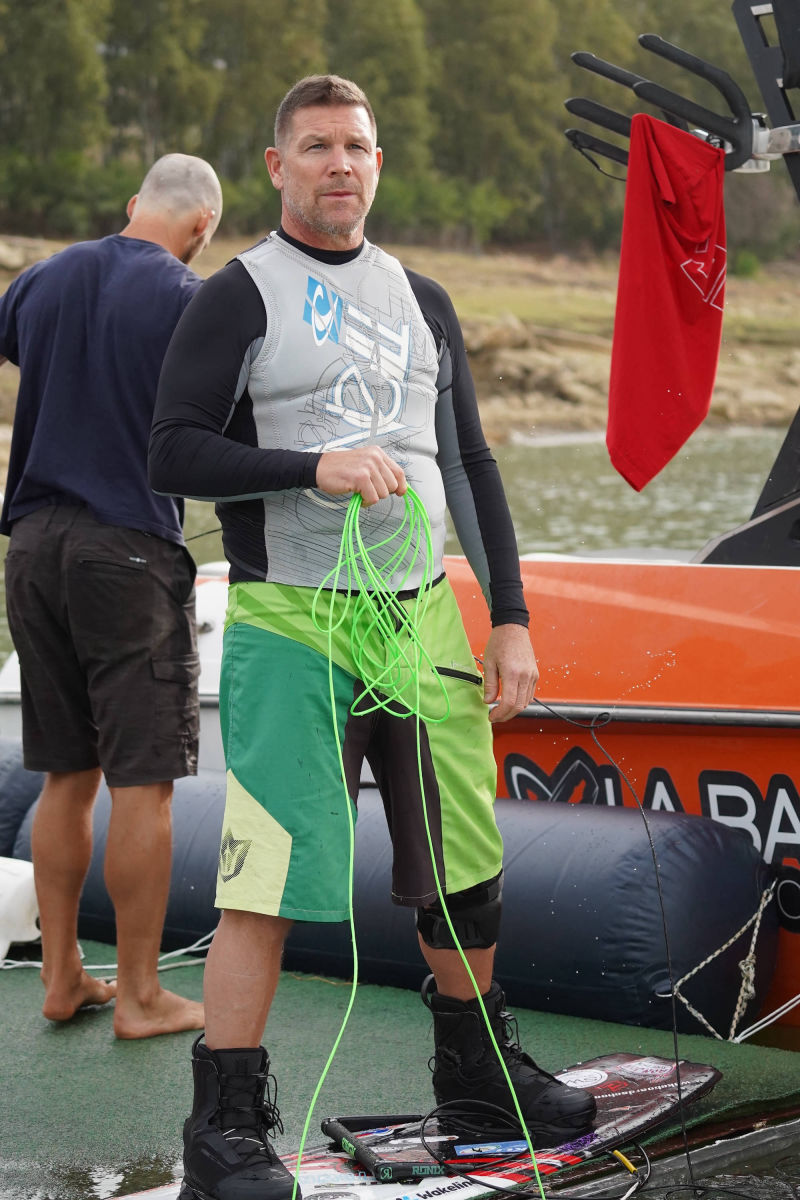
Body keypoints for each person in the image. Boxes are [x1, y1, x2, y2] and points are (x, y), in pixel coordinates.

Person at [149, 77, 596, 1200]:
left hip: (420, 613)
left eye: (355, 145)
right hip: (293, 621)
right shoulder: (237, 296)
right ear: (277, 166)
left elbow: (471, 466)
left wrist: (509, 617)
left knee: (465, 867)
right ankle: (223, 1131)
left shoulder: (423, 299)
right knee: (268, 877)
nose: (338, 164)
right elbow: (172, 451)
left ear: (378, 162)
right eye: (315, 147)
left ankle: (477, 1081)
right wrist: (312, 466)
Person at [0, 153, 223, 1039]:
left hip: (31, 546)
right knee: (143, 785)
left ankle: (62, 977)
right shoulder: (190, 299)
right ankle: (139, 995)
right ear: (202, 226)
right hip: (127, 550)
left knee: (67, 773)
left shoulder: (41, 278)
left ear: (135, 204)